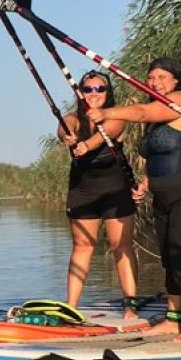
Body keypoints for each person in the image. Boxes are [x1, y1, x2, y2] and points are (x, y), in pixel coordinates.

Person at [88, 58, 181, 341]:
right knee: (169, 258)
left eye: (162, 77)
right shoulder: (156, 119)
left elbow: (143, 112)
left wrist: (108, 111)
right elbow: (154, 155)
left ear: (175, 81)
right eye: (151, 77)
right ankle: (174, 319)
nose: (156, 82)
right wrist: (146, 183)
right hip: (164, 193)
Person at [59, 70, 141, 319]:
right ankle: (71, 306)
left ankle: (131, 305)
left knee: (121, 244)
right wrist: (68, 136)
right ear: (81, 93)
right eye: (88, 89)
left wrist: (86, 145)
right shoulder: (73, 117)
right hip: (83, 189)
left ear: (108, 92)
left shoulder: (116, 116)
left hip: (115, 187)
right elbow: (64, 128)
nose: (94, 94)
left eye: (100, 89)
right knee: (82, 246)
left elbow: (108, 133)